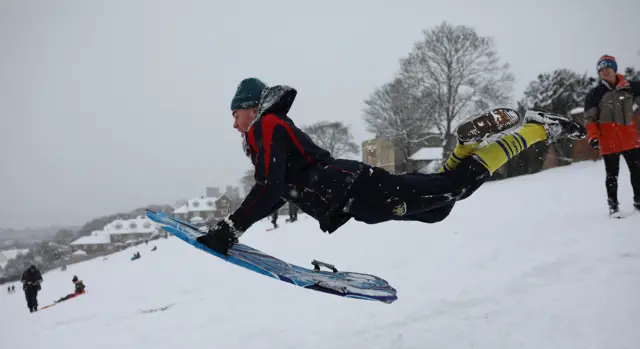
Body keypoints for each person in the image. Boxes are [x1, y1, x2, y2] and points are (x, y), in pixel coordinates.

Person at [196, 78, 586, 255]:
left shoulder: (267, 125)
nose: (233, 123)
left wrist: (230, 229)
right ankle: (464, 149)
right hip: (356, 198)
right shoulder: (266, 131)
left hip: (356, 189)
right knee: (440, 209)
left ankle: (535, 128)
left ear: (252, 108)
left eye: (235, 114)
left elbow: (269, 187)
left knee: (455, 188)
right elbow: (275, 186)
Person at [584, 55, 640, 218]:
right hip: (609, 141)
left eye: (607, 68)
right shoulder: (595, 94)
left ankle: (639, 201)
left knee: (637, 172)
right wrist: (593, 136)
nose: (604, 72)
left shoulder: (631, 87)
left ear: (614, 69)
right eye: (601, 70)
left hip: (631, 138)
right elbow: (590, 119)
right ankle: (613, 207)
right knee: (611, 176)